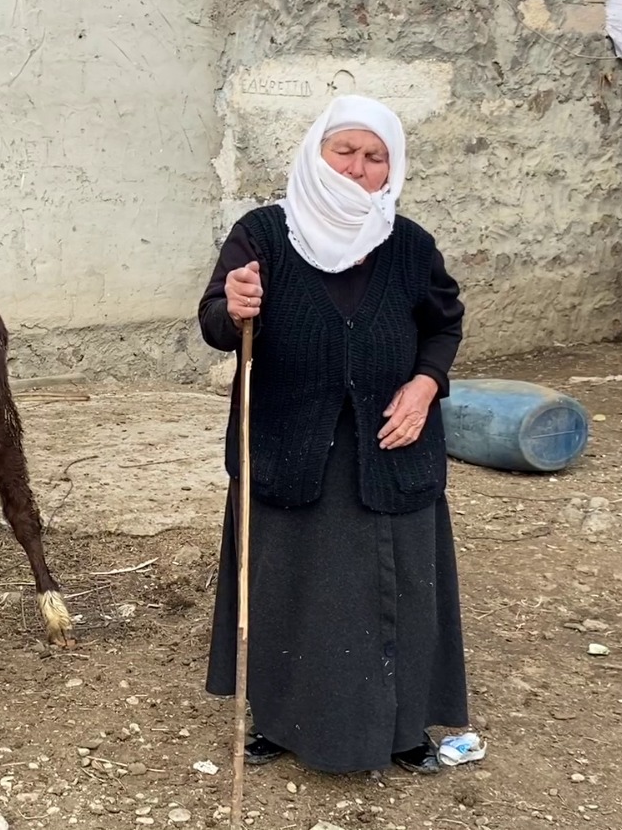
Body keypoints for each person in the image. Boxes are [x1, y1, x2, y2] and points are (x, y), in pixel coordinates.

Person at [199, 94, 471, 776]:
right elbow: (215, 321)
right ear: (316, 155)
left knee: (399, 587)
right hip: (289, 449)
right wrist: (232, 308)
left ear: (391, 167)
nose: (357, 168)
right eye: (343, 151)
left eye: (374, 157)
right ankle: (281, 721)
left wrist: (426, 383)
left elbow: (444, 323)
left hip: (391, 447)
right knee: (290, 588)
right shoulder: (263, 235)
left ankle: (406, 726)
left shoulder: (409, 246)